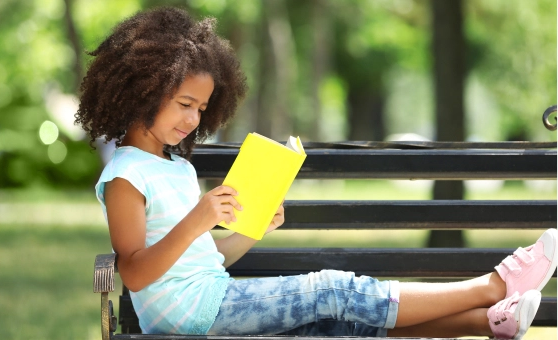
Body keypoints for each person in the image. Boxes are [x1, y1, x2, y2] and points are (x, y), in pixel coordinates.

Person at [75, 7, 557, 339]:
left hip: (212, 298)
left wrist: (249, 233)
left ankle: (490, 321)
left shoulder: (175, 167)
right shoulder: (125, 175)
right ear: (142, 91)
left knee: (338, 325)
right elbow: (136, 273)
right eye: (184, 104)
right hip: (190, 318)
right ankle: (495, 285)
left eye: (201, 107)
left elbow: (205, 262)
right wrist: (198, 220)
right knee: (332, 288)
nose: (193, 120)